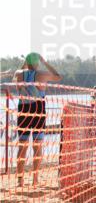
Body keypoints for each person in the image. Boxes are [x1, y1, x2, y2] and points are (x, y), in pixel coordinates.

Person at [11, 53, 61, 187]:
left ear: (27, 62)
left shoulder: (19, 73)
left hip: (23, 110)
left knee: (22, 145)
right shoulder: (42, 74)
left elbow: (14, 80)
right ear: (38, 63)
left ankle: (20, 180)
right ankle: (35, 179)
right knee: (37, 145)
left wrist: (24, 64)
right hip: (38, 109)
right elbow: (58, 76)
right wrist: (45, 62)